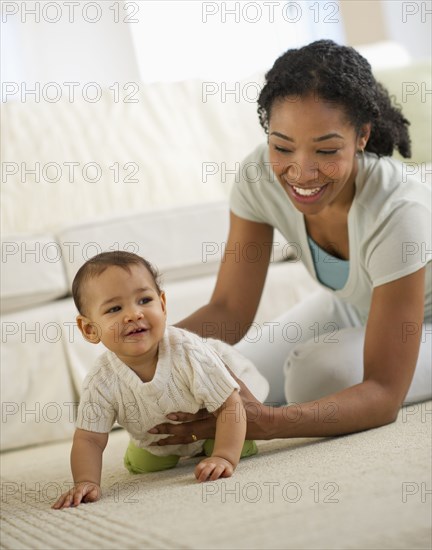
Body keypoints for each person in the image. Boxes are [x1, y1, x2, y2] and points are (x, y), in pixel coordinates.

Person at [148, 39, 431, 448]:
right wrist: (146, 354)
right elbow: (229, 309)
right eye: (282, 147)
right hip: (359, 306)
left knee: (314, 377)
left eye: (327, 150)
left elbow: (383, 394)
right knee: (233, 374)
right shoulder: (257, 178)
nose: (302, 172)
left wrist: (267, 422)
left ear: (362, 136)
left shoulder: (397, 209)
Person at [52, 251, 269, 509]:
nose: (133, 314)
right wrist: (86, 481)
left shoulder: (188, 351)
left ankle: (214, 447)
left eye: (144, 300)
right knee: (144, 465)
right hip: (156, 439)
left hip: (214, 420)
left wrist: (224, 456)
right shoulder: (100, 380)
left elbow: (230, 405)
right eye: (115, 308)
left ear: (163, 305)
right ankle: (159, 452)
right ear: (90, 329)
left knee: (238, 446)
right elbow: (89, 438)